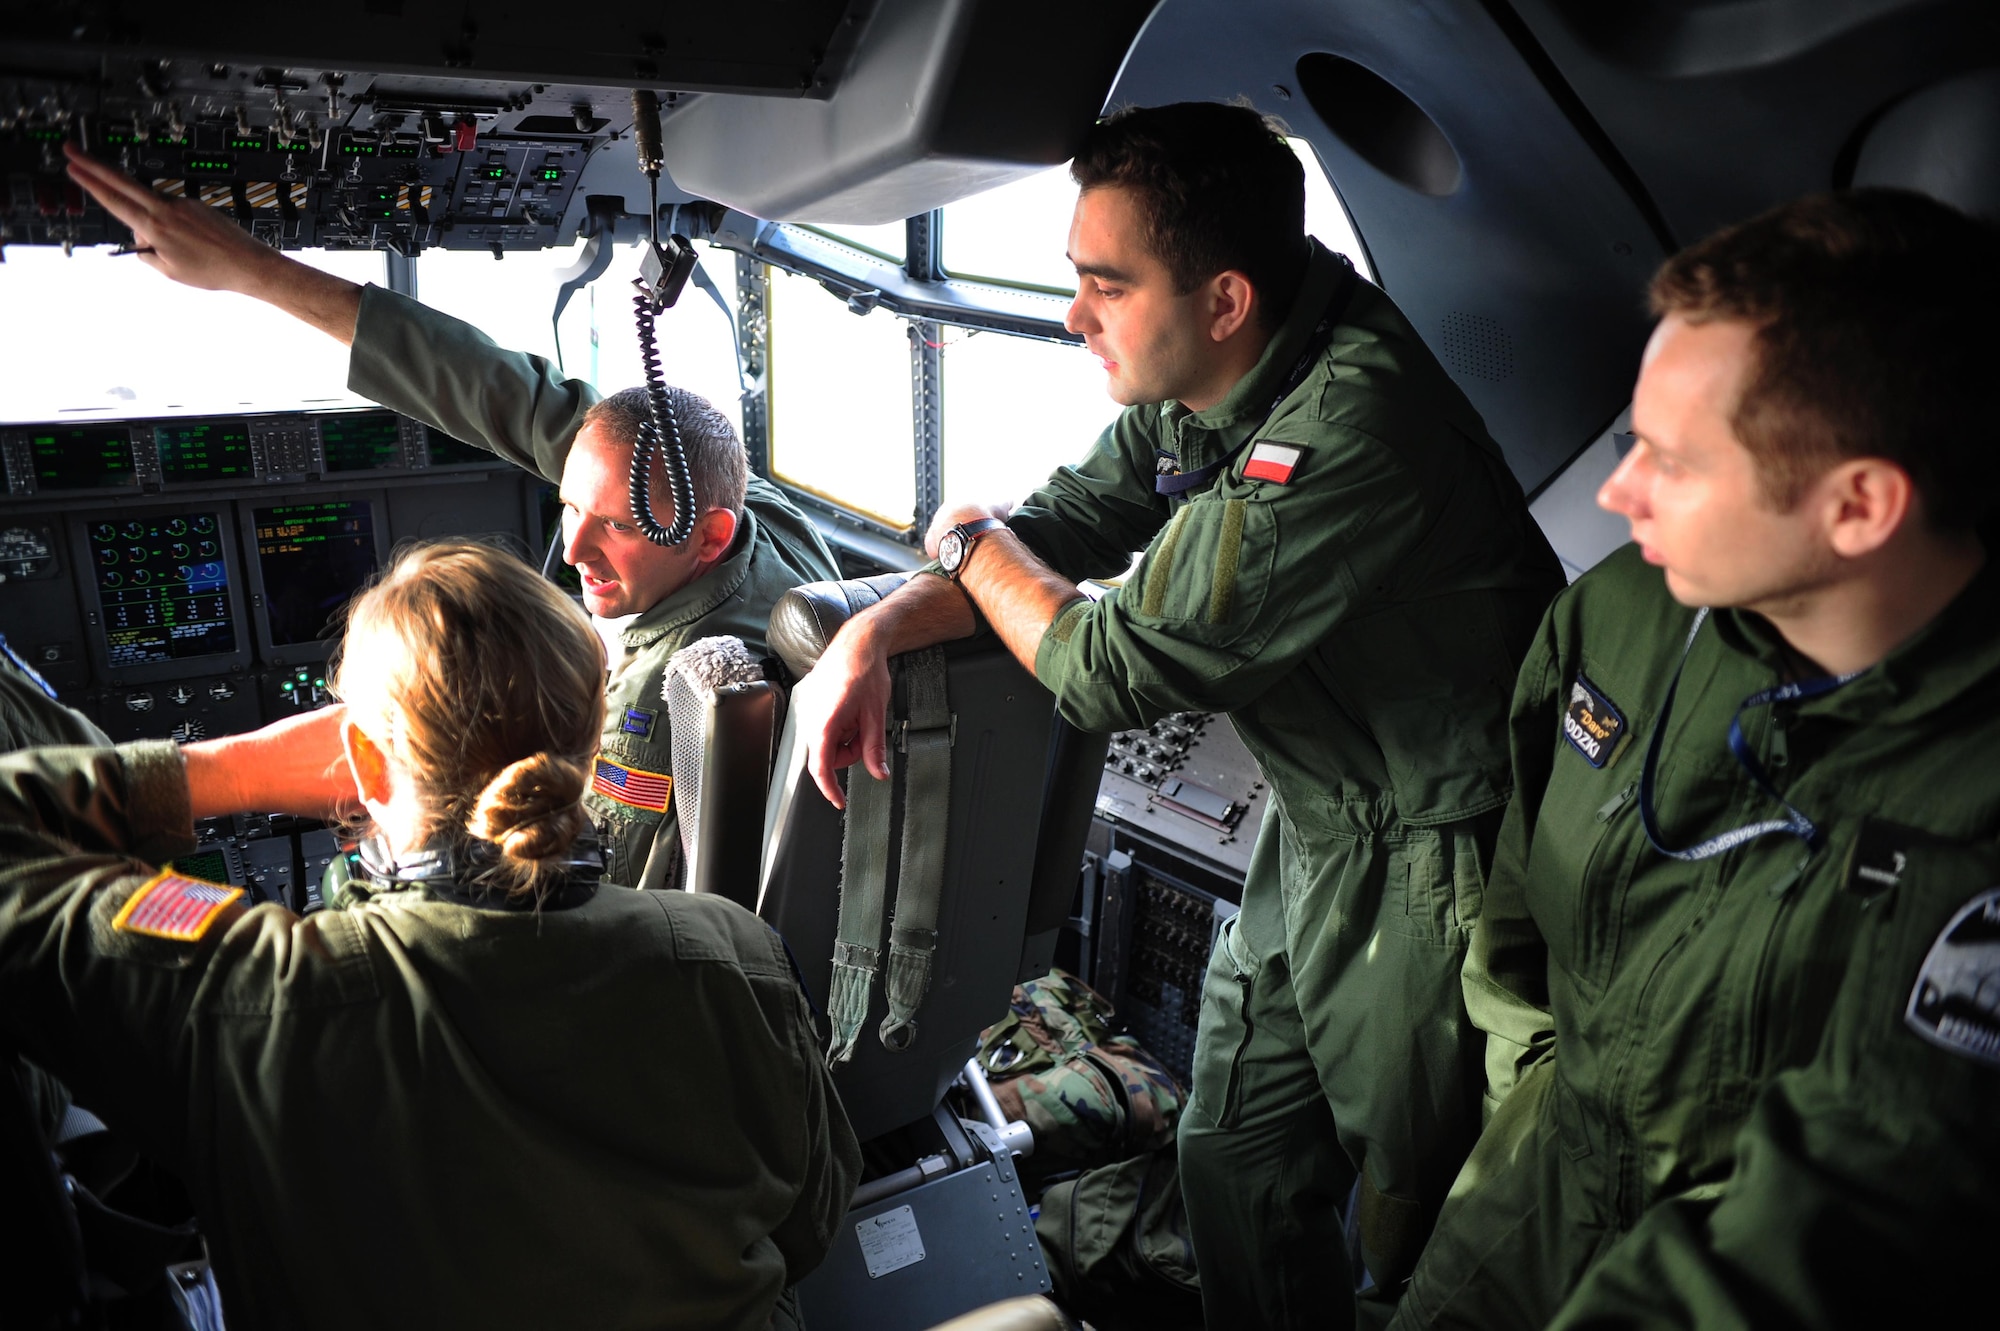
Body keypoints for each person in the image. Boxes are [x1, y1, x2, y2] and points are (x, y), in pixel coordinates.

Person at [792, 101, 1565, 1327]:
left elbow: (1099, 663)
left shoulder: (1349, 427)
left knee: (1418, 1217)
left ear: (1223, 298)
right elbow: (1056, 531)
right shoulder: (1218, 377)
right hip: (1320, 826)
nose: (1071, 315)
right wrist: (876, 627)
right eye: (1072, 278)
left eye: (1105, 286)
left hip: (1439, 850)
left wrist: (966, 536)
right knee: (1235, 1153)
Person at [1389, 190, 2000, 1330]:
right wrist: (1526, 1094)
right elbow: (1517, 900)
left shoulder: (1972, 805)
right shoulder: (1617, 616)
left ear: (1858, 504)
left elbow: (1848, 1212)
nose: (1618, 492)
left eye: (1668, 460)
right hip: (1531, 1188)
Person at [0, 539, 861, 1331]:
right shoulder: (738, 957)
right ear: (590, 741)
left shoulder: (248, 996)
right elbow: (812, 1225)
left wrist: (231, 769)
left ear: (363, 764)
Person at [64, 146, 843, 891]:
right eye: (572, 505)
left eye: (617, 527)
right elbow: (488, 383)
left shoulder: (654, 710)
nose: (574, 547)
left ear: (707, 536)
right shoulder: (749, 511)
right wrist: (250, 271)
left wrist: (392, 838)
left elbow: (574, 883)